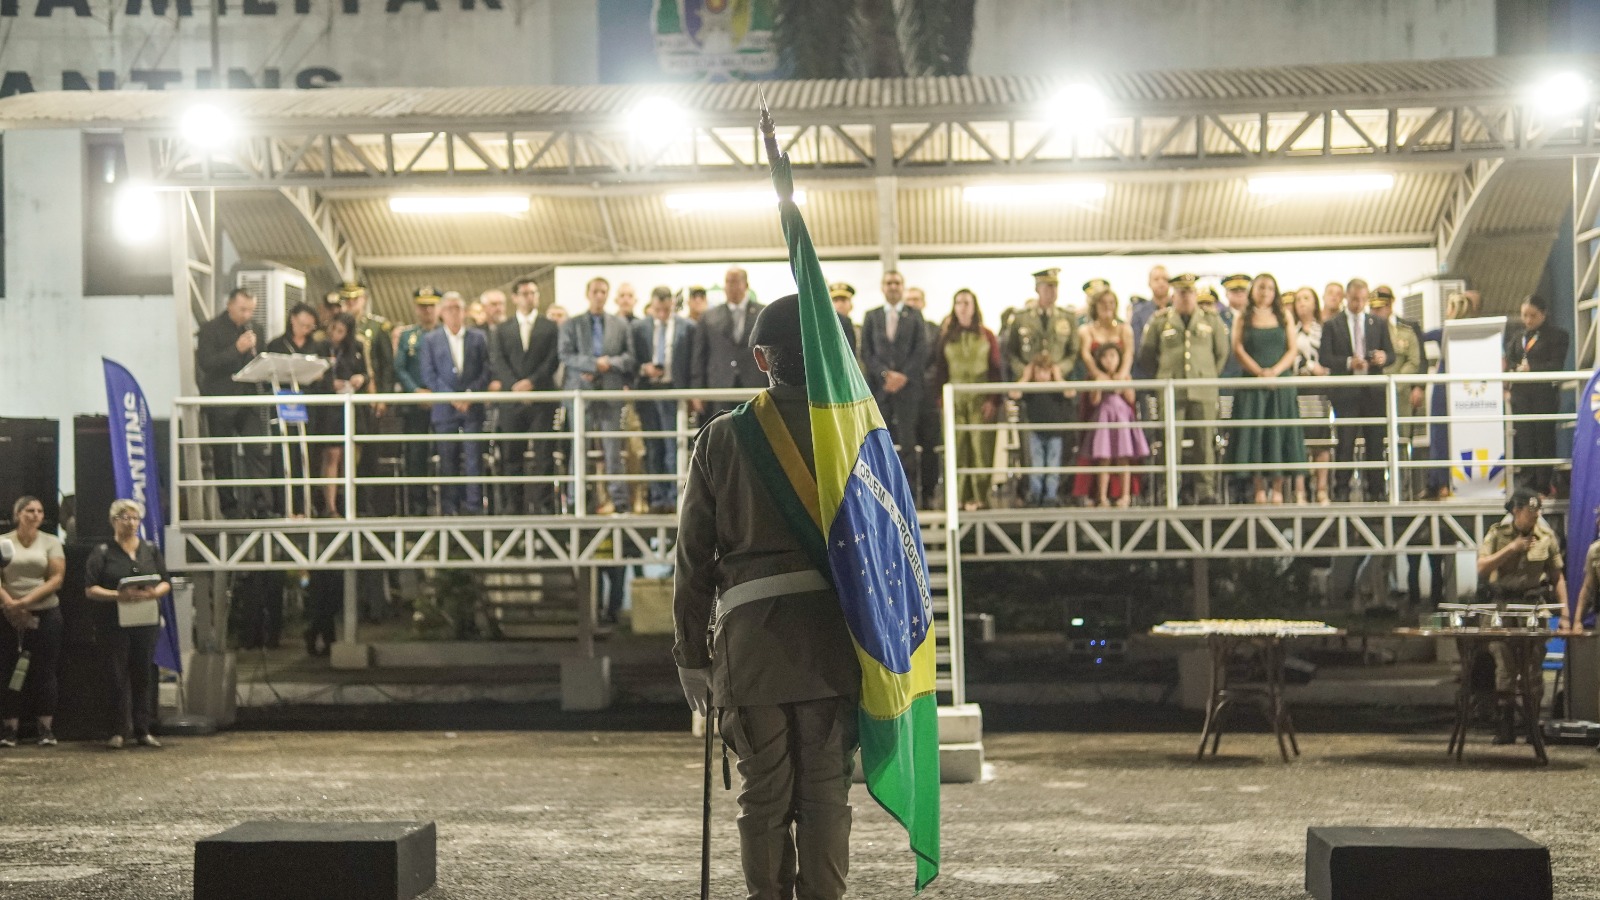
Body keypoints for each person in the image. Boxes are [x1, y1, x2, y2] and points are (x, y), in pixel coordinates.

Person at [674, 293, 861, 900]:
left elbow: (692, 562)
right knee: (827, 790)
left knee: (764, 794)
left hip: (751, 647)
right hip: (836, 639)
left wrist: (690, 657)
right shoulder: (854, 432)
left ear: (760, 358)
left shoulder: (721, 437)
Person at [1476, 489, 1568, 744]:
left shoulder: (1546, 537)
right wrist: (1512, 549)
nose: (1535, 516)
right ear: (1516, 511)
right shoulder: (1497, 534)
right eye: (1530, 512)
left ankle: (1531, 725)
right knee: (1504, 666)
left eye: (1537, 512)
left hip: (1532, 607)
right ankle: (1505, 725)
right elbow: (1482, 568)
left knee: (1533, 666)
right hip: (1504, 607)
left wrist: (1566, 613)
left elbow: (1557, 576)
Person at [84, 499, 170, 749]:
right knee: (116, 674)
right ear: (114, 521)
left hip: (145, 620)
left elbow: (165, 581)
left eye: (135, 519)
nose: (131, 523)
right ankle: (117, 730)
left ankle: (143, 729)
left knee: (143, 673)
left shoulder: (150, 549)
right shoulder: (102, 552)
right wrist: (117, 595)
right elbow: (90, 589)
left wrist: (155, 593)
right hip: (113, 622)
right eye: (125, 518)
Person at [1136, 273, 1229, 504]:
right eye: (1180, 293)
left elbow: (1221, 353)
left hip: (1203, 387)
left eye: (1189, 293)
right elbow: (1147, 355)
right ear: (1173, 296)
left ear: (1195, 294)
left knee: (1205, 441)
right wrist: (1164, 375)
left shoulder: (1211, 320)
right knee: (1170, 441)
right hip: (1172, 389)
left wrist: (1206, 374)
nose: (1185, 298)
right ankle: (1170, 488)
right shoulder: (1160, 321)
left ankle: (1205, 489)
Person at [560, 276, 638, 515]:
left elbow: (629, 358)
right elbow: (565, 355)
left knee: (613, 449)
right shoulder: (571, 324)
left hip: (610, 390)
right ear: (588, 293)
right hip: (580, 392)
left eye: (604, 291)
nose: (599, 295)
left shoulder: (620, 325)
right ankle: (577, 500)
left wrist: (608, 363)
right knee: (579, 448)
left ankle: (619, 501)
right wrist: (593, 364)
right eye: (595, 291)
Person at [1226, 274, 1306, 505]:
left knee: (1279, 433)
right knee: (1255, 434)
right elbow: (1238, 348)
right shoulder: (1243, 316)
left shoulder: (1285, 316)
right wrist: (1259, 373)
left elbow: (1292, 350)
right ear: (1253, 290)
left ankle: (1278, 488)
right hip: (1252, 384)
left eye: (1270, 288)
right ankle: (1259, 487)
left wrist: (1274, 372)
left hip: (1280, 385)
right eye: (1261, 287)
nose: (1265, 292)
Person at [1004, 268, 1082, 503]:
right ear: (1037, 289)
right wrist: (1026, 374)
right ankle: (1033, 491)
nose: (1052, 291)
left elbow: (1072, 352)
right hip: (1032, 394)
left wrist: (1058, 371)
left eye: (1055, 286)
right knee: (1031, 448)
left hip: (1056, 391)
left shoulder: (1067, 319)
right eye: (1047, 286)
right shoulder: (1021, 318)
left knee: (1059, 446)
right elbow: (1012, 352)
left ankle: (1053, 493)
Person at [195, 288, 271, 518]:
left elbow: (261, 359)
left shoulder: (255, 329)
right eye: (242, 309)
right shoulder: (210, 329)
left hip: (249, 399)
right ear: (229, 305)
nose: (247, 315)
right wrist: (235, 350)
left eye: (251, 310)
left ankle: (262, 504)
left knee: (257, 450)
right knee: (223, 455)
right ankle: (230, 507)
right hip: (221, 400)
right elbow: (207, 363)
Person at [489, 278, 561, 515]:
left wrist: (532, 383)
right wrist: (515, 386)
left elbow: (552, 360)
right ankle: (514, 507)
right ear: (515, 297)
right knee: (511, 454)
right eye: (525, 293)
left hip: (541, 399)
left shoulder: (550, 327)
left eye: (533, 293)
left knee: (544, 454)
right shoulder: (503, 329)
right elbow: (498, 361)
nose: (529, 297)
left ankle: (545, 506)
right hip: (512, 401)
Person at [1319, 278, 1393, 502]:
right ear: (1346, 298)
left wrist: (1383, 357)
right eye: (1354, 299)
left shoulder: (1377, 323)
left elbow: (1391, 353)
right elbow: (1325, 357)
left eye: (1363, 299)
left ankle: (1377, 490)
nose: (1359, 303)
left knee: (1375, 441)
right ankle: (1342, 489)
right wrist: (1349, 362)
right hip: (1346, 392)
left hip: (1372, 391)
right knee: (1346, 441)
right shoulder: (1333, 324)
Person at [0, 496, 65, 748]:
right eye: (29, 510)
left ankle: (45, 729)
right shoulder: (4, 542)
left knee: (44, 671)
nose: (35, 515)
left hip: (45, 614)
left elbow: (56, 578)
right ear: (18, 514)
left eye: (39, 511)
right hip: (7, 615)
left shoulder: (51, 542)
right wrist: (11, 605)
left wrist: (25, 603)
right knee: (8, 670)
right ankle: (9, 729)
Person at [934, 289, 1003, 511]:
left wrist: (993, 399)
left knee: (981, 449)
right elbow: (940, 371)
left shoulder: (987, 335)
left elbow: (995, 369)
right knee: (957, 449)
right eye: (959, 303)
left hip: (980, 399)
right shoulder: (946, 337)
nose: (963, 307)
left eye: (967, 302)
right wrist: (941, 400)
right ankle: (959, 498)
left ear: (974, 307)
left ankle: (980, 498)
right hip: (954, 400)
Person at [422, 293, 490, 515]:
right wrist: (450, 396)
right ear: (441, 313)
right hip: (444, 408)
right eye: (449, 308)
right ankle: (449, 508)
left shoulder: (478, 337)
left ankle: (474, 506)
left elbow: (486, 369)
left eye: (457, 308)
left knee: (474, 459)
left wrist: (470, 394)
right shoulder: (431, 339)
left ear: (464, 311)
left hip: (472, 407)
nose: (453, 312)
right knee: (447, 459)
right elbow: (429, 374)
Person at [861, 270, 929, 485]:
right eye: (888, 283)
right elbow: (866, 353)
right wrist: (884, 375)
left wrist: (903, 376)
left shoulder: (915, 315)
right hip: (880, 390)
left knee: (908, 442)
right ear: (882, 287)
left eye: (897, 283)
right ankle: (883, 487)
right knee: (880, 440)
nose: (892, 286)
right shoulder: (872, 316)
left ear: (902, 287)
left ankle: (908, 492)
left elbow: (921, 350)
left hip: (908, 390)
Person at [1071, 288, 1138, 504]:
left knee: (1122, 444)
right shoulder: (1086, 330)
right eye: (1103, 303)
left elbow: (1128, 354)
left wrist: (1119, 377)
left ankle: (1122, 493)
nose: (1107, 307)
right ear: (1095, 306)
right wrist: (1101, 377)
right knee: (1097, 445)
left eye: (1111, 302)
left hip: (1120, 389)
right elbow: (1086, 356)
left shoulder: (1125, 329)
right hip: (1096, 390)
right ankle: (1095, 494)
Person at [632, 286, 696, 514]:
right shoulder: (639, 328)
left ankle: (674, 496)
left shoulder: (687, 327)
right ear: (651, 306)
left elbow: (692, 362)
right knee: (653, 447)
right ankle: (657, 498)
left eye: (666, 309)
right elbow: (632, 359)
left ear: (672, 305)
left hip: (673, 391)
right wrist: (644, 368)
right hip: (648, 392)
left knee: (673, 447)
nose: (661, 314)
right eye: (658, 309)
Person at [1504, 294, 1570, 495]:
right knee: (1524, 439)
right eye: (1524, 315)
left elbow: (1556, 365)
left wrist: (1531, 369)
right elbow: (1510, 360)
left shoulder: (1558, 336)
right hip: (1521, 395)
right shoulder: (1517, 336)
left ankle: (1543, 484)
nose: (1528, 320)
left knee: (1543, 438)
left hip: (1543, 395)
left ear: (1543, 314)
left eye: (1533, 315)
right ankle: (1526, 483)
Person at [315, 313, 371, 517]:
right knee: (332, 455)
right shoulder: (320, 347)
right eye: (333, 329)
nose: (335, 335)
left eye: (340, 331)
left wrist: (360, 379)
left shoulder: (357, 347)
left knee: (350, 456)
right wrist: (330, 384)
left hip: (351, 406)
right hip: (330, 408)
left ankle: (349, 503)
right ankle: (330, 507)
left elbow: (366, 373)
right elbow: (314, 375)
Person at [1371, 286, 1424, 498]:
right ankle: (1378, 490)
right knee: (1376, 441)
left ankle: (1404, 489)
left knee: (1401, 441)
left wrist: (1398, 383)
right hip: (1375, 394)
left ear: (1391, 304)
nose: (1377, 311)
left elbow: (1415, 360)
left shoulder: (1406, 330)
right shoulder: (1368, 329)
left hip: (1401, 394)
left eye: (1382, 307)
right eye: (1374, 307)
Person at [690, 267, 765, 418]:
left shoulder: (762, 313)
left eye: (736, 282)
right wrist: (697, 390)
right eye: (728, 282)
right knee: (723, 431)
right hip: (720, 385)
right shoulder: (709, 317)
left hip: (754, 385)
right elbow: (699, 356)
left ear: (746, 285)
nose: (731, 287)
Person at [394, 287, 442, 515]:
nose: (427, 311)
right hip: (415, 406)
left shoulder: (446, 334)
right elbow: (400, 368)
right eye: (423, 306)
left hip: (443, 404)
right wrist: (415, 390)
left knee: (448, 454)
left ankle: (447, 505)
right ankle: (417, 508)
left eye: (431, 306)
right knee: (415, 456)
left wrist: (438, 393)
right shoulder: (408, 336)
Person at [1083, 343, 1149, 507]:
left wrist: (1122, 381)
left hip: (1122, 418)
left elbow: (1131, 398)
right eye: (1105, 357)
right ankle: (1102, 496)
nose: (1109, 361)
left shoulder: (1125, 377)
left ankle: (1125, 496)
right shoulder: (1097, 378)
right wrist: (1098, 385)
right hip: (1104, 417)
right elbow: (1094, 401)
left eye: (1113, 356)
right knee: (1103, 458)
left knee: (1123, 458)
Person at [1292, 286, 1333, 505]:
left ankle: (1321, 489)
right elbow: (1290, 356)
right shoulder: (1292, 330)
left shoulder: (1325, 329)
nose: (1302, 303)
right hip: (1298, 390)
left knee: (1321, 440)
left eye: (1306, 298)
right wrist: (1308, 364)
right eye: (1298, 299)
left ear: (1315, 303)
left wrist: (1321, 368)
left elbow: (1329, 356)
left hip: (1319, 391)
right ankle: (1300, 491)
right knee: (1300, 441)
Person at [905, 285, 944, 507]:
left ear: (924, 302)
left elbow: (937, 362)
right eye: (909, 300)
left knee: (930, 447)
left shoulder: (933, 329)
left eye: (917, 299)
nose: (913, 303)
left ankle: (929, 493)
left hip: (928, 397)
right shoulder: (898, 328)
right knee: (906, 447)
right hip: (904, 398)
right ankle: (909, 494)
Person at [1128, 264, 1172, 380]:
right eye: (1156, 279)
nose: (1161, 283)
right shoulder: (1139, 313)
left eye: (1165, 279)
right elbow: (1137, 347)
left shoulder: (1178, 311)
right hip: (1146, 375)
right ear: (1149, 283)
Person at [1218, 274, 1251, 378]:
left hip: (1251, 376)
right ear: (1226, 293)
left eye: (1243, 290)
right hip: (1226, 375)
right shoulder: (1218, 318)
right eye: (1234, 290)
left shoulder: (1256, 318)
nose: (1239, 293)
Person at [830, 282, 862, 359]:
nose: (840, 304)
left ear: (851, 304)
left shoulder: (857, 328)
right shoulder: (828, 327)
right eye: (836, 300)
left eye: (843, 300)